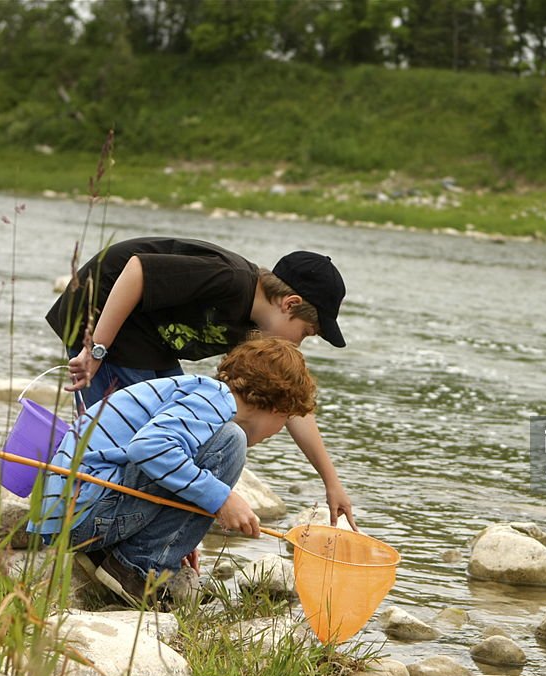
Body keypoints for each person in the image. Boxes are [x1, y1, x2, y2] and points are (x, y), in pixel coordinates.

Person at [46, 236, 355, 529]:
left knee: (187, 436)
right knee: (131, 440)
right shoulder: (230, 280)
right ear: (289, 304)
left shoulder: (256, 329)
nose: (300, 344)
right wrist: (97, 348)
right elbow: (138, 269)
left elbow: (288, 400)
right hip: (102, 317)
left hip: (154, 343)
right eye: (306, 332)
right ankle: (88, 525)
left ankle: (149, 530)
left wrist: (331, 481)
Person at [30, 336, 324, 606]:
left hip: (74, 515)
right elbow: (147, 449)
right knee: (232, 442)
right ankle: (137, 568)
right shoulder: (215, 402)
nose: (277, 431)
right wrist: (223, 499)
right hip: (85, 516)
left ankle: (124, 557)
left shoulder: (199, 395)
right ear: (276, 407)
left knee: (209, 453)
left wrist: (176, 534)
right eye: (285, 420)